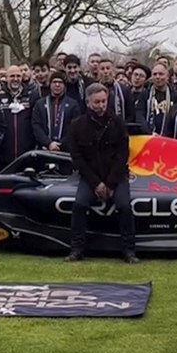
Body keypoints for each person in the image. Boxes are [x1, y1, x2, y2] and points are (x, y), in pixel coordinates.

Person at [64, 83, 138, 264]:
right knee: (79, 205)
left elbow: (122, 155)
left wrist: (111, 183)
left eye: (104, 101)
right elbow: (77, 158)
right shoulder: (76, 126)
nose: (101, 105)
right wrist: (96, 183)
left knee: (124, 206)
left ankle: (128, 251)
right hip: (90, 178)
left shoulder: (118, 123)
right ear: (88, 102)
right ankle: (77, 249)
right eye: (97, 102)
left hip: (116, 176)